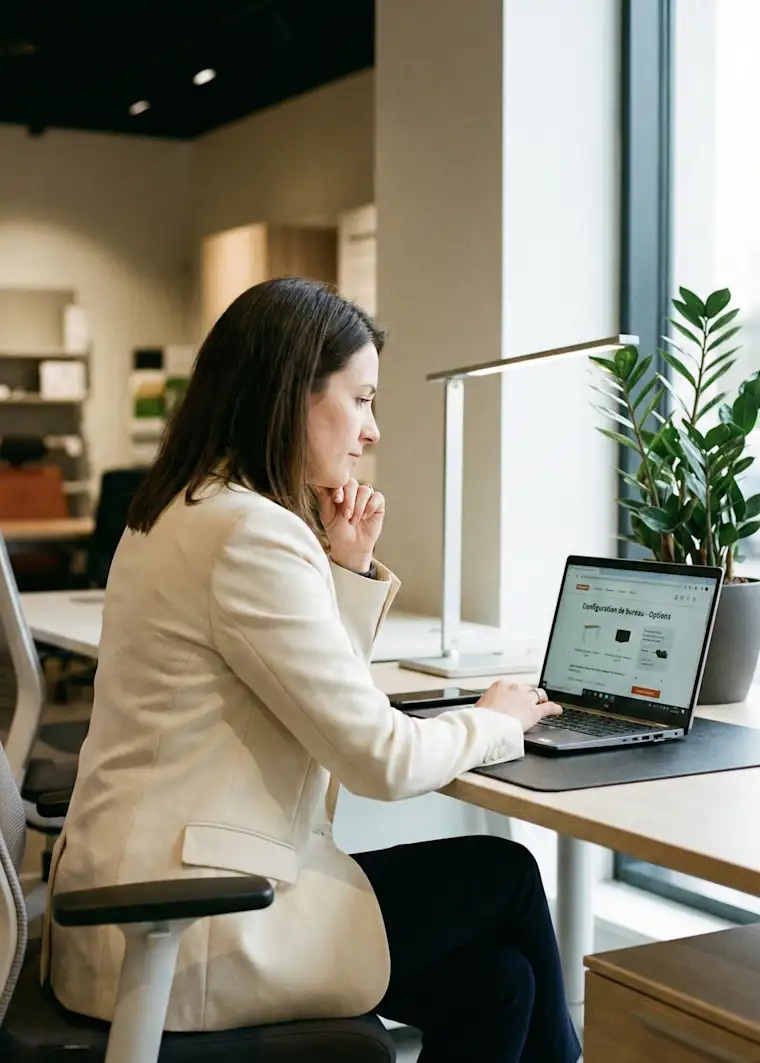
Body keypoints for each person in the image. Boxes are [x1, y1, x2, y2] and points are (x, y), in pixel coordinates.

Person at [43, 278, 581, 1062]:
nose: (371, 429)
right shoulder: (250, 531)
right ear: (293, 392)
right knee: (503, 872)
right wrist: (497, 720)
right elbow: (378, 758)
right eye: (361, 399)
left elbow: (295, 684)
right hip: (194, 919)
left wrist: (345, 568)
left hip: (140, 897)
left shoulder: (185, 506)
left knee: (498, 982)